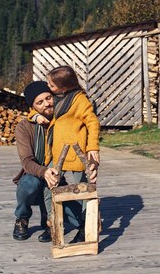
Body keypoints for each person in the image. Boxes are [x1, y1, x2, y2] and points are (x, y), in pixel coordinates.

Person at [43, 65, 100, 243]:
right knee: (49, 187)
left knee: (82, 190)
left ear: (64, 86)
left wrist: (92, 148)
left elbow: (93, 123)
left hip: (76, 153)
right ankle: (52, 222)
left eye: (51, 84)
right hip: (56, 153)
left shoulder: (80, 100)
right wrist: (35, 117)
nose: (48, 87)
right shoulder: (56, 98)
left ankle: (85, 227)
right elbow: (38, 109)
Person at [11, 81, 59, 242]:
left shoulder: (61, 120)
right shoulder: (25, 127)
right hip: (35, 172)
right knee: (29, 184)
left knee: (54, 183)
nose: (47, 104)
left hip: (59, 172)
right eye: (40, 102)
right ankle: (22, 218)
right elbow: (26, 161)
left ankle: (49, 220)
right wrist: (43, 172)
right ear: (33, 107)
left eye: (48, 98)